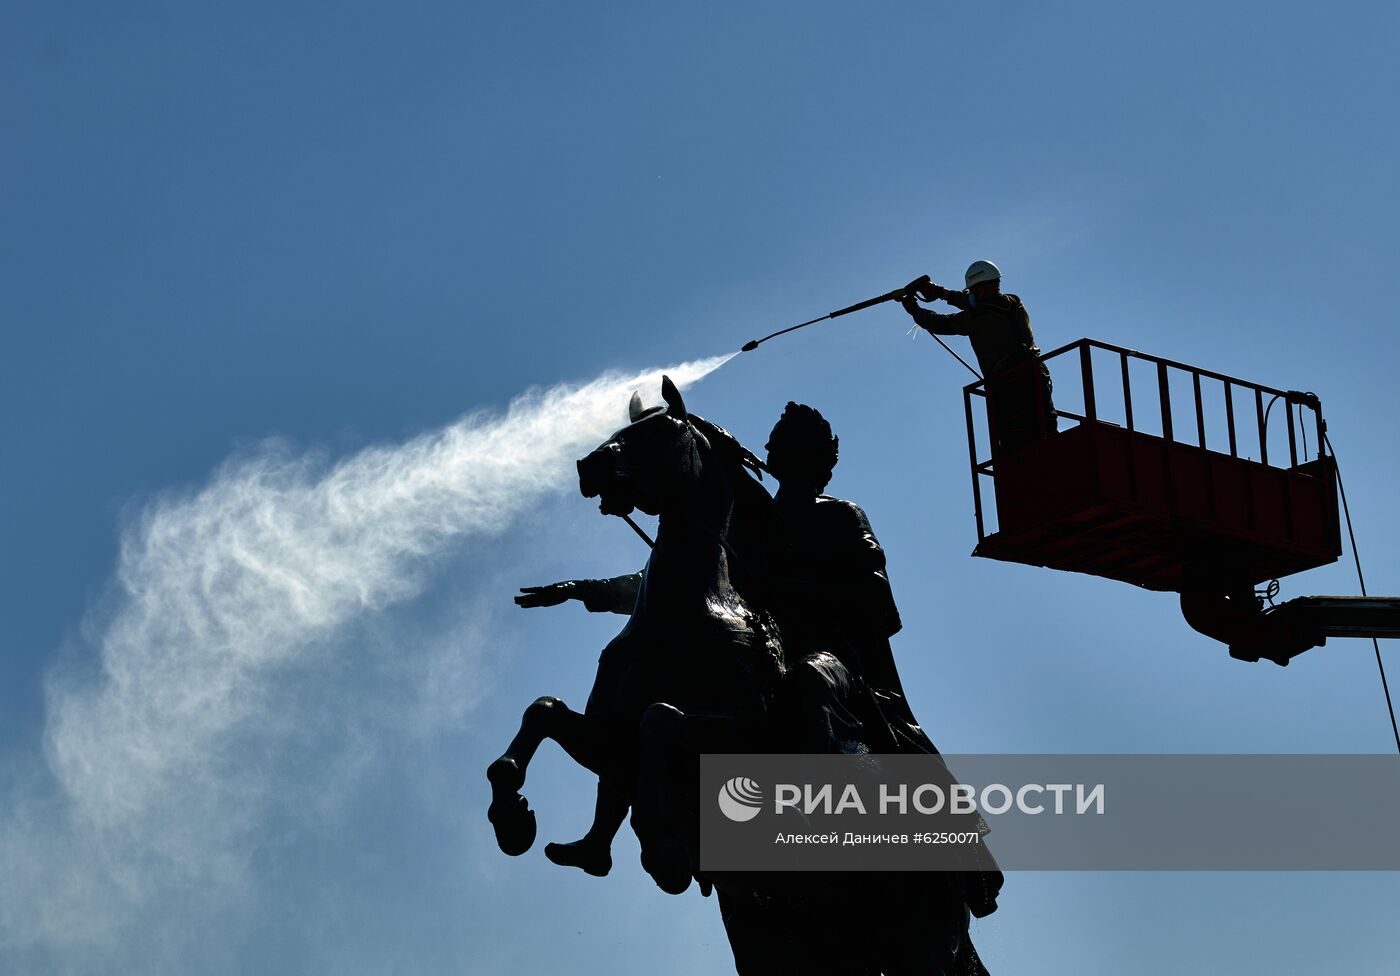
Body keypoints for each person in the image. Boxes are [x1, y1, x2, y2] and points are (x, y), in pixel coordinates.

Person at [901, 260, 1055, 452]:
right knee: (1046, 428)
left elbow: (940, 323)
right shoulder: (1012, 302)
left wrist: (914, 310)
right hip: (1036, 375)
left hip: (1009, 385)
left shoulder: (977, 317)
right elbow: (976, 303)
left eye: (973, 290)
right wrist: (941, 292)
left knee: (1017, 441)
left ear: (980, 289)